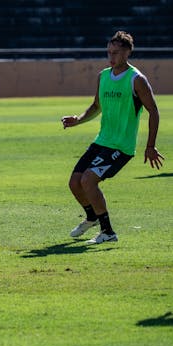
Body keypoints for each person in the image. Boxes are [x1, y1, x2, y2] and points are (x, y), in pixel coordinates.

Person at [61, 31, 164, 244]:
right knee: (74, 183)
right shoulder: (103, 76)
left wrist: (150, 145)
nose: (111, 57)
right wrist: (77, 119)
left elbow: (153, 111)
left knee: (88, 180)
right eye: (109, 52)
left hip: (121, 146)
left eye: (116, 52)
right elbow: (97, 105)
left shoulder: (137, 80)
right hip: (101, 141)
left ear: (127, 52)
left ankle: (108, 232)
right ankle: (92, 217)